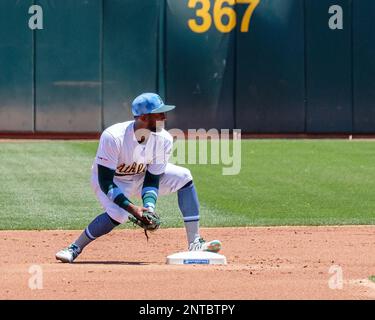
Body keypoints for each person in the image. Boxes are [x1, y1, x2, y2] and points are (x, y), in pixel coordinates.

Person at [55, 92, 222, 263]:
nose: (164, 117)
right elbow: (105, 182)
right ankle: (74, 248)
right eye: (159, 114)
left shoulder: (164, 139)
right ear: (143, 117)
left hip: (141, 176)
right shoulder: (114, 137)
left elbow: (152, 178)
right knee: (119, 214)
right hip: (113, 181)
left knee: (184, 176)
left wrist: (148, 208)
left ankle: (194, 242)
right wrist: (132, 208)